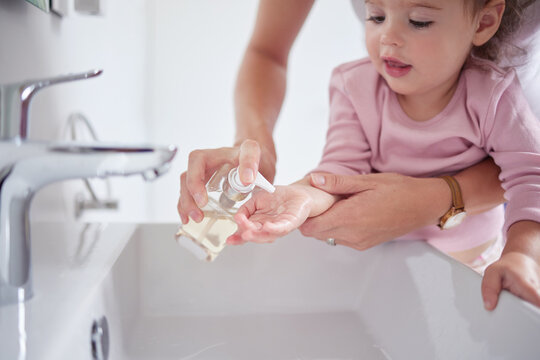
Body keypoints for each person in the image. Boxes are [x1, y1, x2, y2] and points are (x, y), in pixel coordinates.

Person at [177, 0, 540, 310]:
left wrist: (522, 254)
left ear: (485, 21)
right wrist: (298, 197)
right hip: (385, 260)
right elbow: (340, 171)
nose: (389, 37)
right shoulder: (354, 87)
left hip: (472, 262)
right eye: (376, 16)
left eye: (419, 21)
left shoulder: (496, 96)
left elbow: (530, 179)